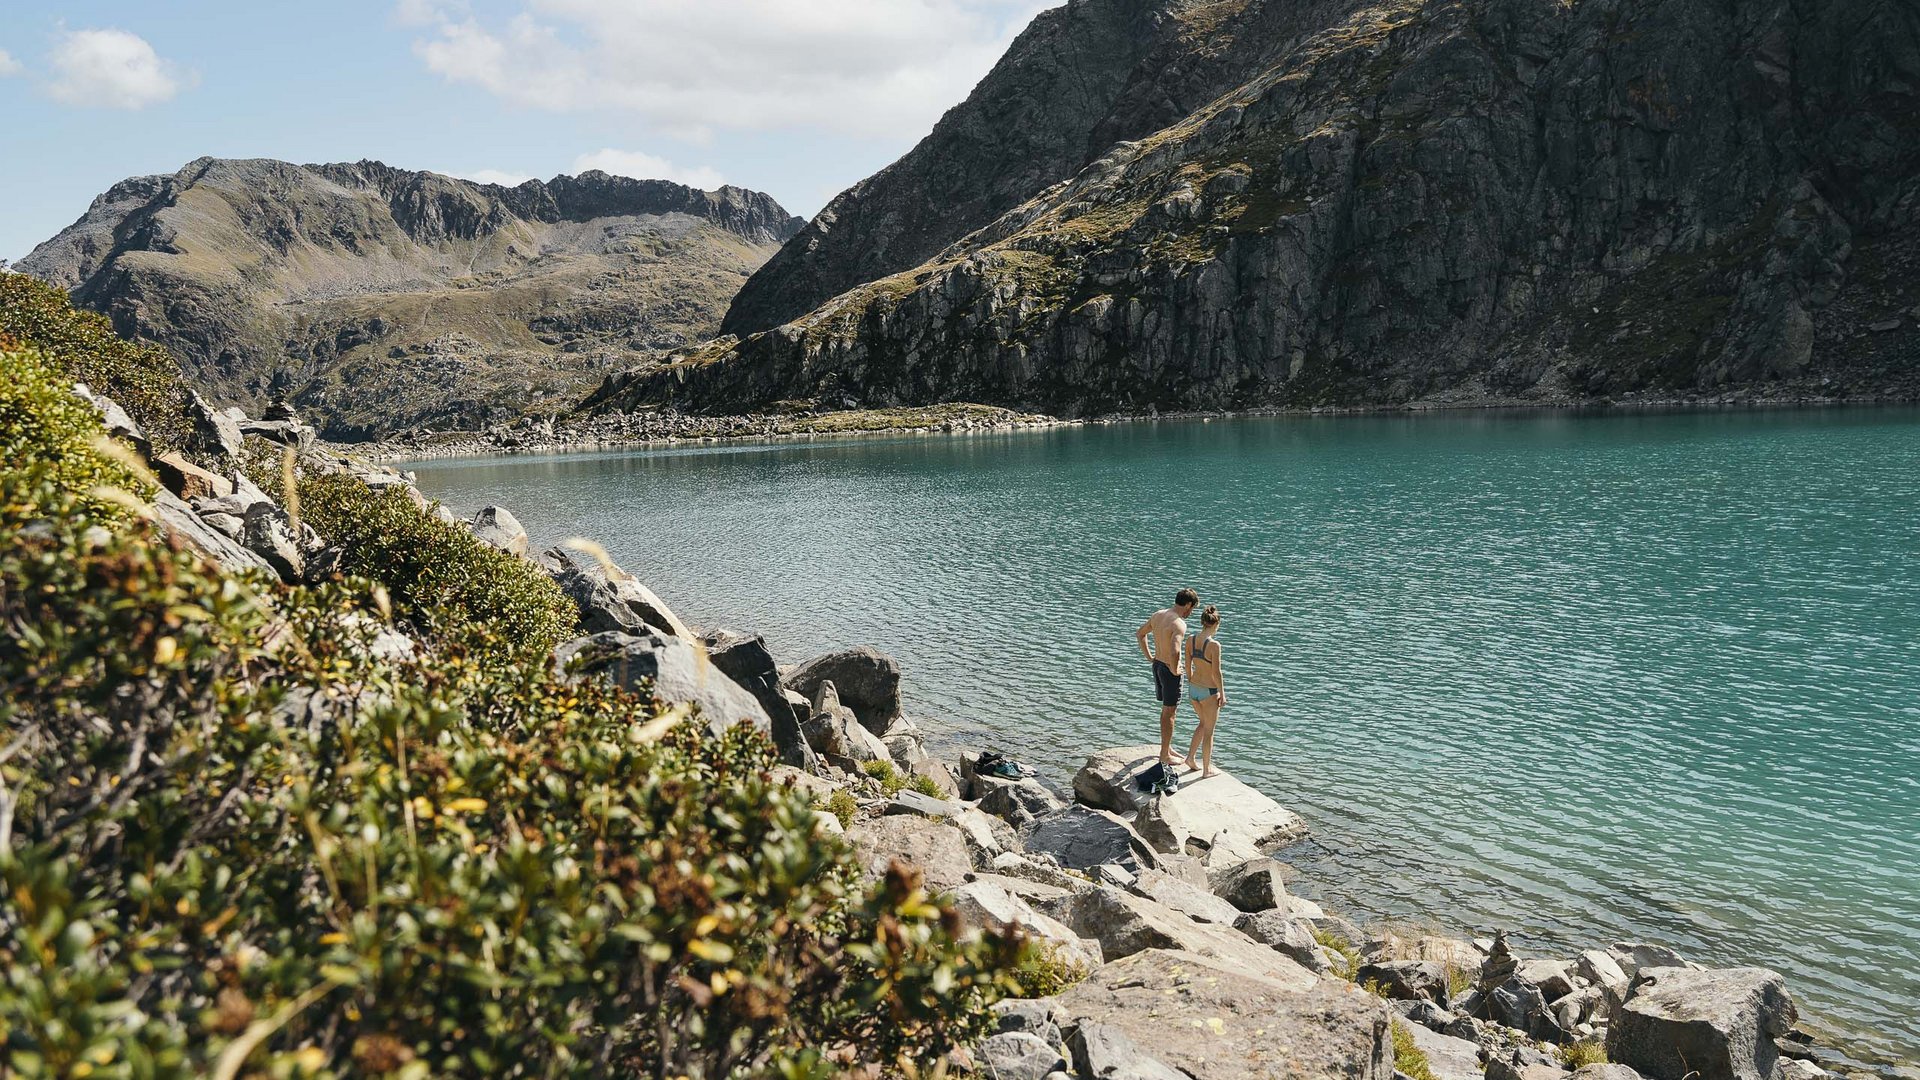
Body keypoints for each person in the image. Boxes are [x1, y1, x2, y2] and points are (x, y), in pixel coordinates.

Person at [1136, 587, 1198, 766]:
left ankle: (1166, 747)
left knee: (1166, 710)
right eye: (1191, 608)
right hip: (1169, 670)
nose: (1190, 612)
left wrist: (1149, 657)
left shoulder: (1158, 615)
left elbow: (1140, 633)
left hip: (1157, 665)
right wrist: (1175, 668)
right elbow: (1175, 650)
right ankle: (1164, 754)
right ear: (1187, 604)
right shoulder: (1178, 623)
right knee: (1170, 712)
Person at [1182, 605, 1227, 778]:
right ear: (1216, 625)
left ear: (1202, 622)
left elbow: (1187, 664)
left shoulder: (1191, 639)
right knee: (1209, 730)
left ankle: (1190, 758)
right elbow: (1217, 673)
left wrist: (1191, 678)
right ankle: (1207, 770)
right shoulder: (1214, 645)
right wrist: (1222, 693)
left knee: (1202, 723)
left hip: (1194, 689)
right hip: (1209, 691)